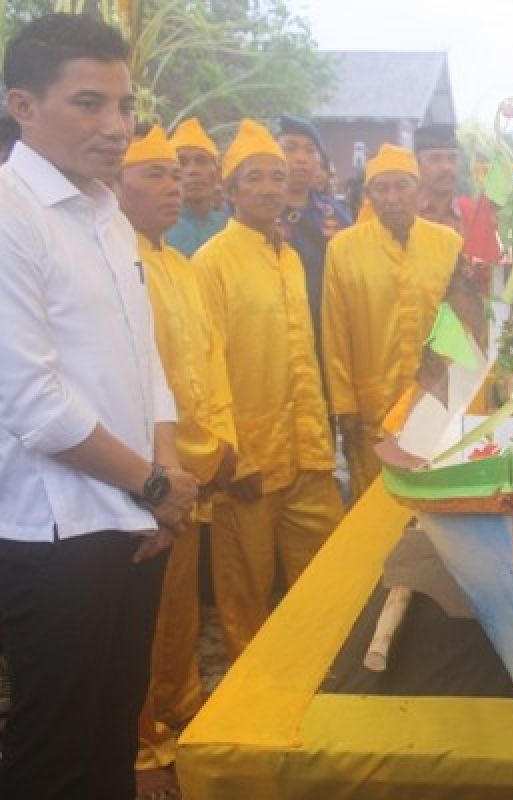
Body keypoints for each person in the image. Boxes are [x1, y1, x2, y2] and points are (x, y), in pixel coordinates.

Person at [0, 14, 199, 799]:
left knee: (113, 733)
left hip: (131, 516)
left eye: (124, 106)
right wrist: (152, 486)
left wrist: (166, 489)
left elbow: (144, 363)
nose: (117, 129)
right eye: (89, 104)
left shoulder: (107, 216)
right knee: (56, 747)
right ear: (22, 104)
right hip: (55, 532)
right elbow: (32, 401)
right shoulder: (11, 216)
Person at [114, 124, 239, 795]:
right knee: (144, 617)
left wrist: (219, 443)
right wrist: (185, 460)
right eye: (155, 174)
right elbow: (140, 380)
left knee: (183, 608)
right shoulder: (118, 261)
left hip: (194, 468)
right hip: (147, 473)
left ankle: (180, 706)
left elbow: (209, 363)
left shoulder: (181, 268)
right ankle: (141, 742)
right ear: (117, 185)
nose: (173, 185)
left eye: (176, 173)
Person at [193, 119, 344, 659]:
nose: (269, 188)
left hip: (307, 452)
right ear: (229, 192)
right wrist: (230, 455)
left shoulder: (291, 255)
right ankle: (248, 696)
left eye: (277, 177)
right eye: (254, 178)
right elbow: (202, 368)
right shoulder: (211, 262)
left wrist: (318, 440)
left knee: (326, 568)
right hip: (249, 462)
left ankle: (317, 672)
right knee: (245, 589)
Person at [322, 145, 463, 501]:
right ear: (369, 196)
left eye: (402, 186)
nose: (392, 198)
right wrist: (344, 406)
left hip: (434, 401)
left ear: (418, 191)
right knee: (373, 502)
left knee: (432, 499)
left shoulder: (448, 244)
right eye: (381, 189)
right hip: (372, 405)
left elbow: (462, 324)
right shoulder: (344, 248)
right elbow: (335, 331)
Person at [276, 114, 352, 347]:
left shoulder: (337, 214)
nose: (301, 159)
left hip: (330, 335)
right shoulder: (260, 215)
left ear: (319, 161)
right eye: (290, 149)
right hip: (279, 336)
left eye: (310, 150)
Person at [164, 117, 227, 257]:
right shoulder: (158, 230)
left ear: (217, 173)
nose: (192, 170)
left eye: (201, 161)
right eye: (182, 162)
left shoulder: (227, 226)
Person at [413, 122, 473, 235]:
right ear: (417, 164)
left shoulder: (472, 213)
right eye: (434, 159)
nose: (446, 167)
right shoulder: (404, 211)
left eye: (452, 158)